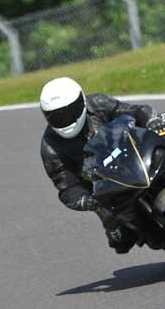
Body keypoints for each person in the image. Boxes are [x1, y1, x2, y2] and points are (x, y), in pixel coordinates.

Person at [40, 76, 165, 253]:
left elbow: (134, 111)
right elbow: (67, 186)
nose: (64, 120)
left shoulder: (98, 103)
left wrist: (151, 120)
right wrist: (87, 200)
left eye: (68, 112)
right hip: (103, 186)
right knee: (120, 237)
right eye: (56, 116)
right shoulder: (50, 147)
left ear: (81, 102)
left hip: (133, 156)